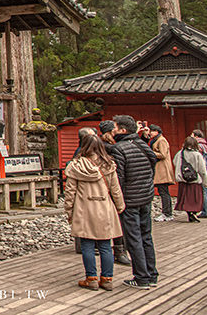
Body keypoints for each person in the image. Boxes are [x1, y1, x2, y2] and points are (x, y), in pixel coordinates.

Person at [65, 132, 126, 291]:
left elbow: (70, 191)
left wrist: (69, 210)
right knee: (106, 245)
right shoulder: (108, 164)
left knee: (87, 245)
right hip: (104, 206)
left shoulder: (77, 166)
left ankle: (91, 278)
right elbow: (115, 189)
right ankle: (107, 278)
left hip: (84, 207)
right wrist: (120, 206)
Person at [110, 114, 159, 289]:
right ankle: (152, 274)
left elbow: (119, 178)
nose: (113, 130)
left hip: (130, 199)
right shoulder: (141, 144)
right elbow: (153, 162)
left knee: (133, 238)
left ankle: (141, 277)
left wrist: (118, 200)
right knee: (146, 235)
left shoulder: (119, 149)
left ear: (122, 130)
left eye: (115, 127)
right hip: (145, 196)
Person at [98, 119, 130, 266]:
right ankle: (119, 250)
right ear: (111, 131)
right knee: (117, 220)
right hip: (111, 186)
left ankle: (115, 248)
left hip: (105, 188)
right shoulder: (110, 148)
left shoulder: (105, 146)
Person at [174, 136, 207, 222]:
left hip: (183, 179)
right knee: (195, 199)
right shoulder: (197, 155)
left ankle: (189, 213)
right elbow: (202, 170)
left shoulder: (180, 153)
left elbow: (175, 162)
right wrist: (206, 182)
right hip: (194, 180)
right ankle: (193, 213)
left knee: (186, 198)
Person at [148, 125, 175, 222]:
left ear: (157, 131)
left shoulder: (161, 140)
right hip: (159, 169)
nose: (150, 133)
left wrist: (151, 152)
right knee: (163, 191)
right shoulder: (156, 140)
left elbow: (163, 154)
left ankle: (167, 213)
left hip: (162, 169)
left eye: (152, 131)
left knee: (164, 192)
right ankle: (167, 213)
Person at [192, 129, 207, 218]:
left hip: (202, 170)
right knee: (206, 190)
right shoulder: (205, 145)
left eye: (192, 135)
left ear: (196, 136)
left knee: (203, 191)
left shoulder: (198, 145)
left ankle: (206, 211)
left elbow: (197, 158)